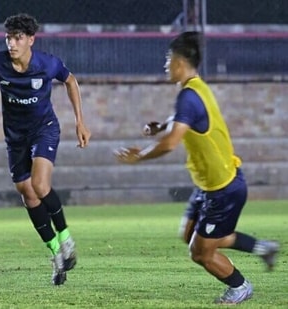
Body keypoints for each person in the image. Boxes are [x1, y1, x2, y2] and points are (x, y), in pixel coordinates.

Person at [114, 31, 279, 305]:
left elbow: (170, 145)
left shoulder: (188, 97)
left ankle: (240, 287)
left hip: (223, 189)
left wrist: (138, 157)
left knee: (200, 252)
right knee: (191, 234)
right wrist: (161, 126)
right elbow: (182, 119)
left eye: (168, 59)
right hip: (211, 185)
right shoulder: (195, 89)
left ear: (180, 62)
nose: (165, 65)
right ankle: (263, 248)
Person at [0, 13, 91, 286]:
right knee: (27, 194)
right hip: (15, 136)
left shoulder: (46, 64)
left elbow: (70, 81)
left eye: (18, 38)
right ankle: (55, 254)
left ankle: (66, 238)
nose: (11, 44)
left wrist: (80, 121)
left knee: (39, 185)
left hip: (44, 128)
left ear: (30, 40)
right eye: (8, 38)